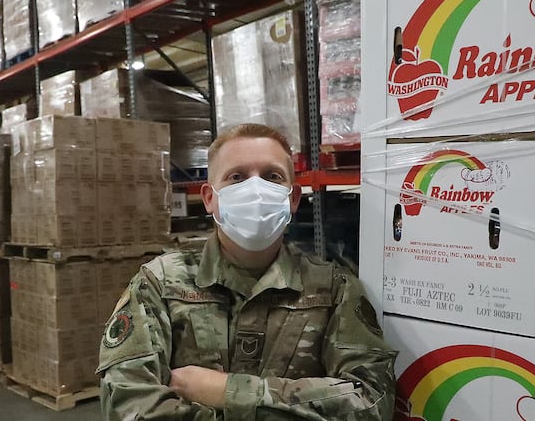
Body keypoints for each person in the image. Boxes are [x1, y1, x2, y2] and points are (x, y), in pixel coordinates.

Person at [97, 123, 397, 420]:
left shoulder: (334, 289)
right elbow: (127, 403)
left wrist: (227, 391)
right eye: (237, 177)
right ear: (209, 198)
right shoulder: (160, 284)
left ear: (293, 198)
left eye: (272, 176)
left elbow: (372, 401)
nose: (256, 190)